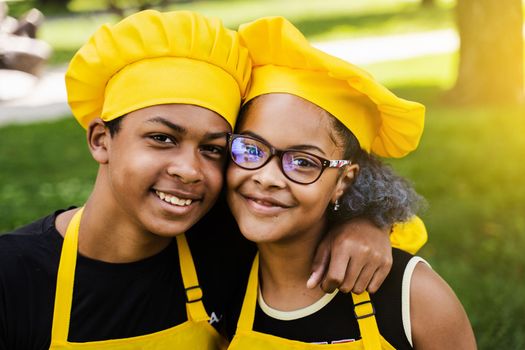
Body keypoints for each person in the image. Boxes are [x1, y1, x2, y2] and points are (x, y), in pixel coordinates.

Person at [0, 10, 428, 350]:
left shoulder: (226, 248)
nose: (189, 170)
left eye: (214, 149)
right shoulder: (14, 277)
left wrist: (366, 221)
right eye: (162, 138)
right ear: (100, 139)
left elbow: (307, 208)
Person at [225, 17, 477, 349]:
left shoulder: (412, 296)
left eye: (303, 162)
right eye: (251, 149)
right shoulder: (221, 277)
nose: (267, 177)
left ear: (344, 180)